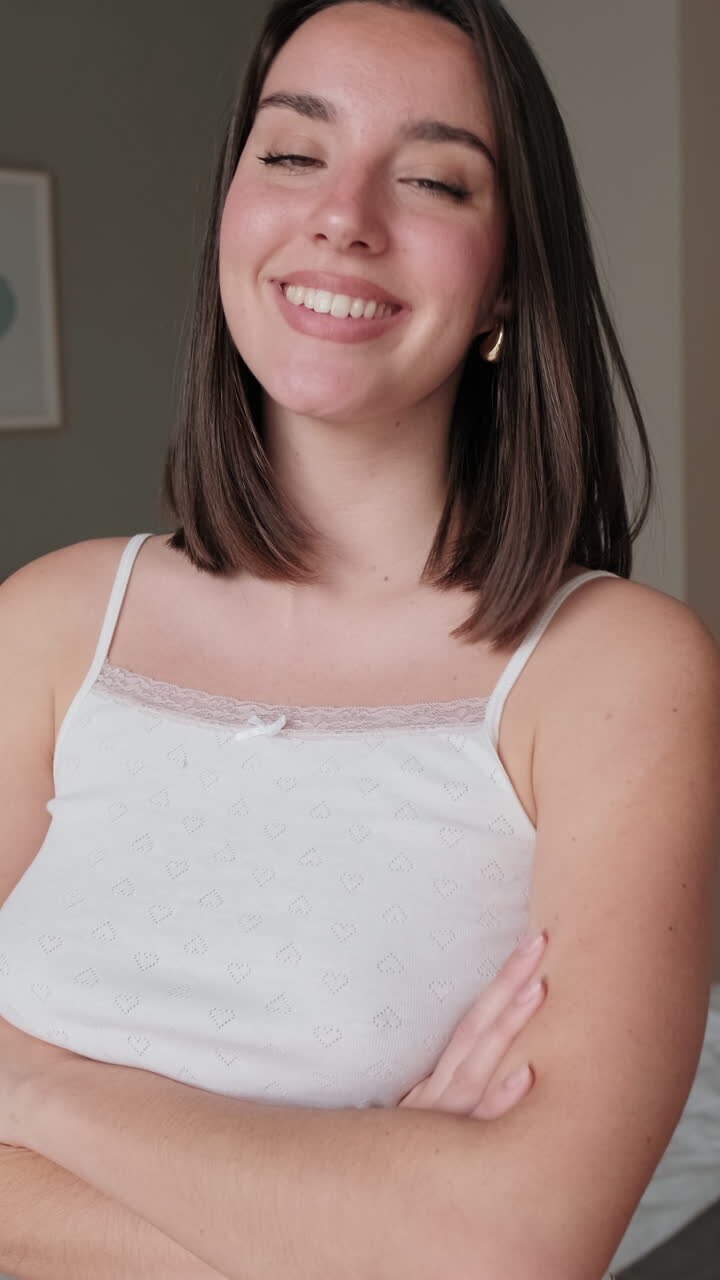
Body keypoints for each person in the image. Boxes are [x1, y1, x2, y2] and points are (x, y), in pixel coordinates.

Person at [0, 0, 718, 1277]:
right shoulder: (51, 622)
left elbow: (510, 1245)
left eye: (435, 177)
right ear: (229, 212)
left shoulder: (616, 672)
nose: (344, 214)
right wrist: (341, 1220)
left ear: (505, 275)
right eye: (291, 153)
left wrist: (31, 1091)